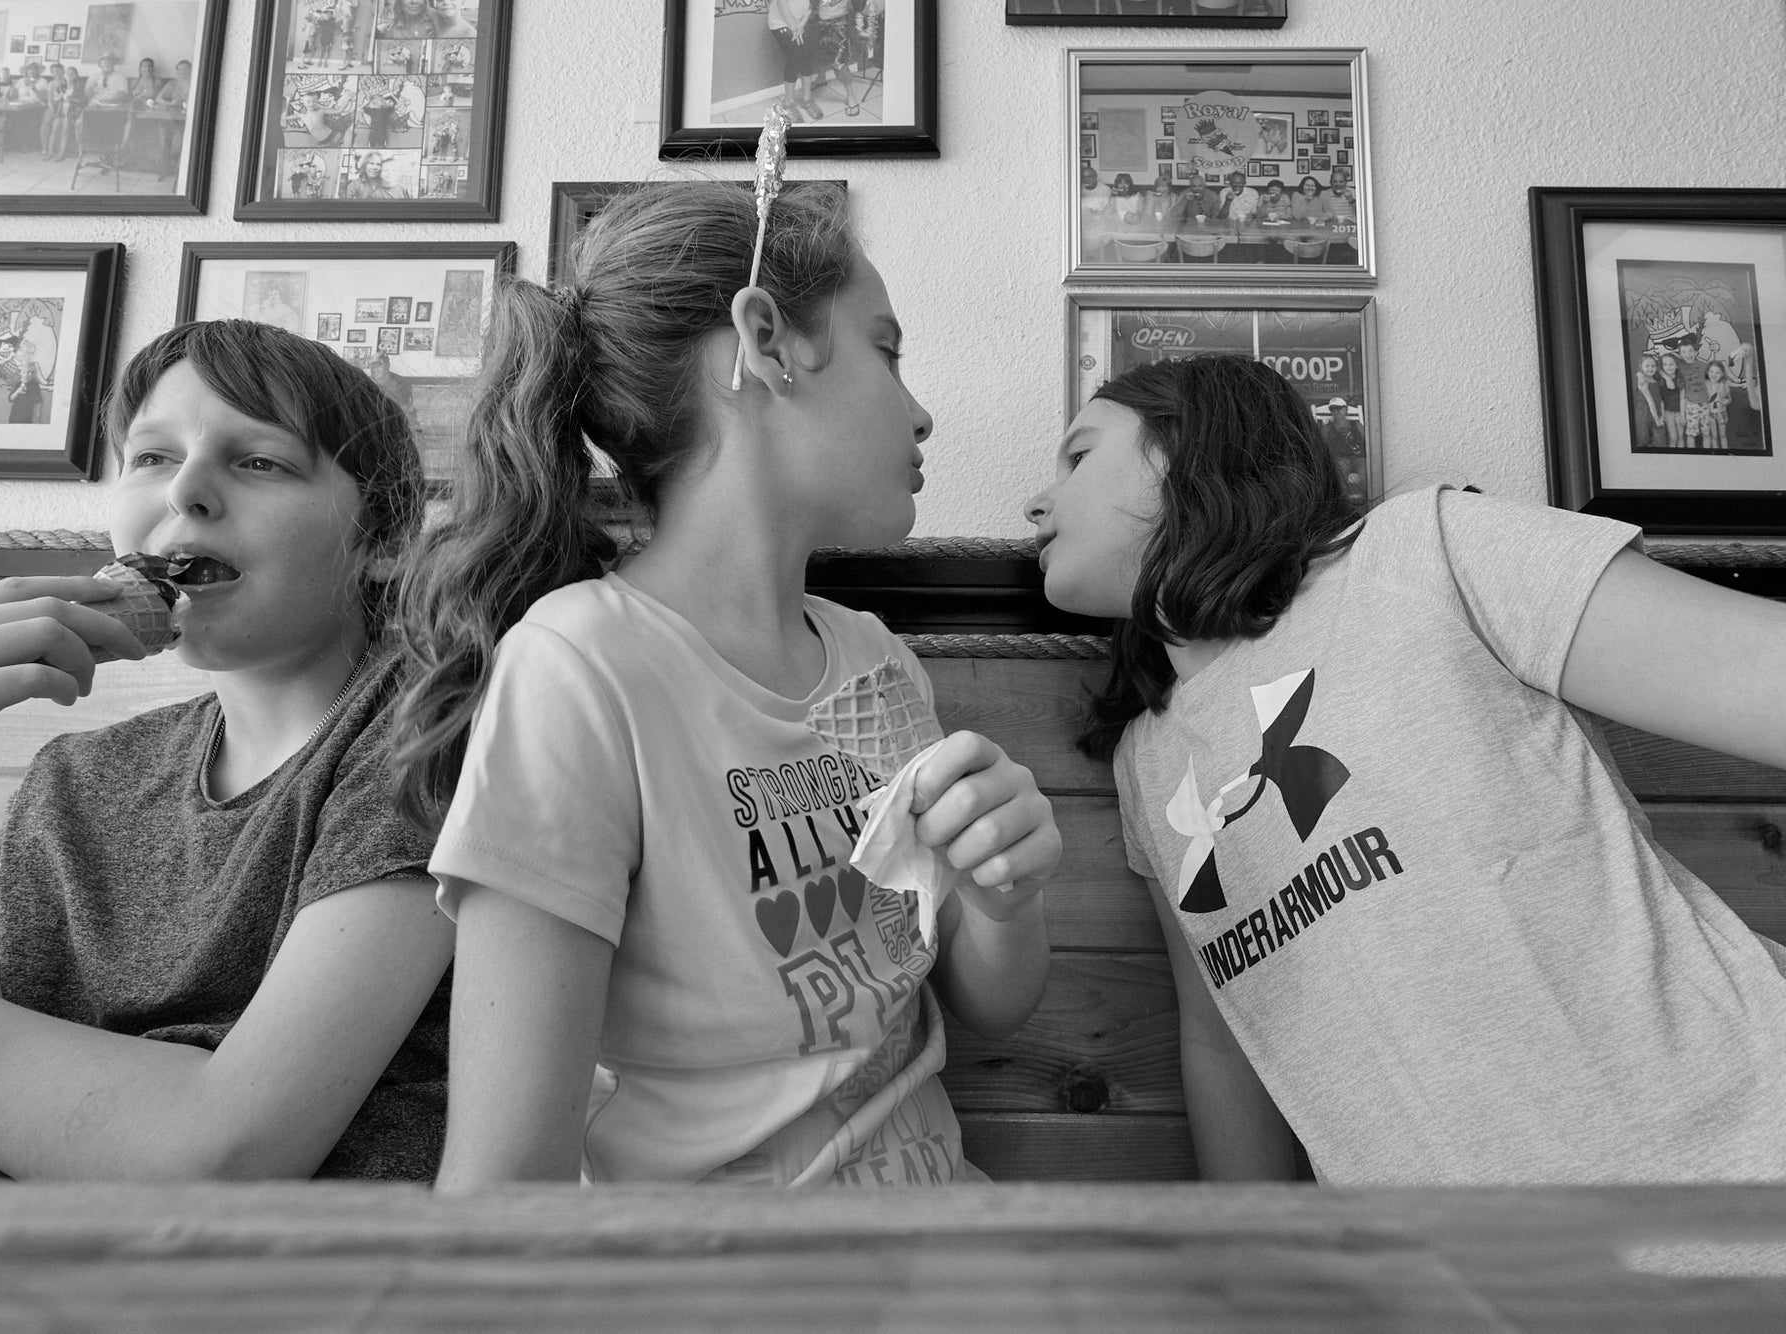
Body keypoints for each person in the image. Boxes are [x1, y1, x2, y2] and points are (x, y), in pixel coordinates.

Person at [395, 181, 1059, 1190]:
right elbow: (501, 1183)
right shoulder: (579, 668)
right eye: (886, 349)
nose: (919, 412)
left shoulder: (880, 660)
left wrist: (1006, 899)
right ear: (763, 336)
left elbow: (989, 999)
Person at [1023, 352, 1786, 1186]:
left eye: (1078, 455)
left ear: (1182, 447)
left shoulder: (1424, 548)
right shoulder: (1149, 759)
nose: (1036, 501)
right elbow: (1225, 1038)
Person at [0, 320, 455, 1180]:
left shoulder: (430, 736)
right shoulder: (74, 781)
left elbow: (219, 1154)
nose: (186, 492)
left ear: (385, 538)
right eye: (150, 457)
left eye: (260, 461)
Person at [768, 0, 819, 123]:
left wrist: (801, 26)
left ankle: (807, 99)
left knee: (807, 57)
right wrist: (794, 28)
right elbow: (781, 4)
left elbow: (812, 5)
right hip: (781, 22)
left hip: (799, 21)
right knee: (795, 58)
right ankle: (788, 102)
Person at [378, 0, 474, 39]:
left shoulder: (437, 19)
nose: (414, 1)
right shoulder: (391, 31)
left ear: (425, 2)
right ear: (400, 3)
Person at [1631, 350, 1663, 451]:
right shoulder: (1643, 381)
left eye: (1653, 366)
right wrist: (1657, 418)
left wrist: (1661, 415)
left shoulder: (1655, 379)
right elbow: (1650, 401)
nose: (1650, 368)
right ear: (1641, 367)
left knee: (1658, 440)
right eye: (1647, 366)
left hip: (1656, 411)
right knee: (1646, 438)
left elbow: (1660, 399)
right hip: (1647, 411)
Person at [344, 150, 409, 198]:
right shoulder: (355, 184)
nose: (375, 167)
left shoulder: (388, 183)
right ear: (365, 165)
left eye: (378, 164)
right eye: (371, 163)